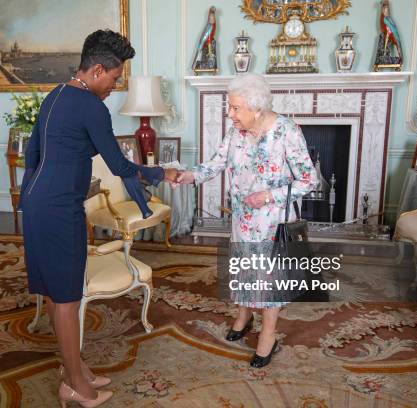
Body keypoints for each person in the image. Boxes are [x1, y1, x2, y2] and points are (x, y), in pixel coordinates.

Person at [19, 30, 175, 407]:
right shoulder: (91, 107)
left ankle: (76, 369)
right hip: (58, 209)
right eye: (115, 77)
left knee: (58, 295)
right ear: (98, 69)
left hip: (39, 203)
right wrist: (161, 174)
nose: (115, 86)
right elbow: (120, 164)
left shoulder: (56, 95)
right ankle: (74, 383)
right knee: (68, 298)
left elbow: (34, 155)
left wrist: (29, 200)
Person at [175, 73, 318, 368]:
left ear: (257, 108)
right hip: (242, 219)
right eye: (230, 107)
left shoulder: (286, 132)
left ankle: (268, 334)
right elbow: (216, 163)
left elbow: (309, 180)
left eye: (235, 108)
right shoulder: (237, 131)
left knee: (269, 279)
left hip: (273, 222)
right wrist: (188, 176)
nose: (230, 114)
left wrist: (267, 196)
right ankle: (244, 314)